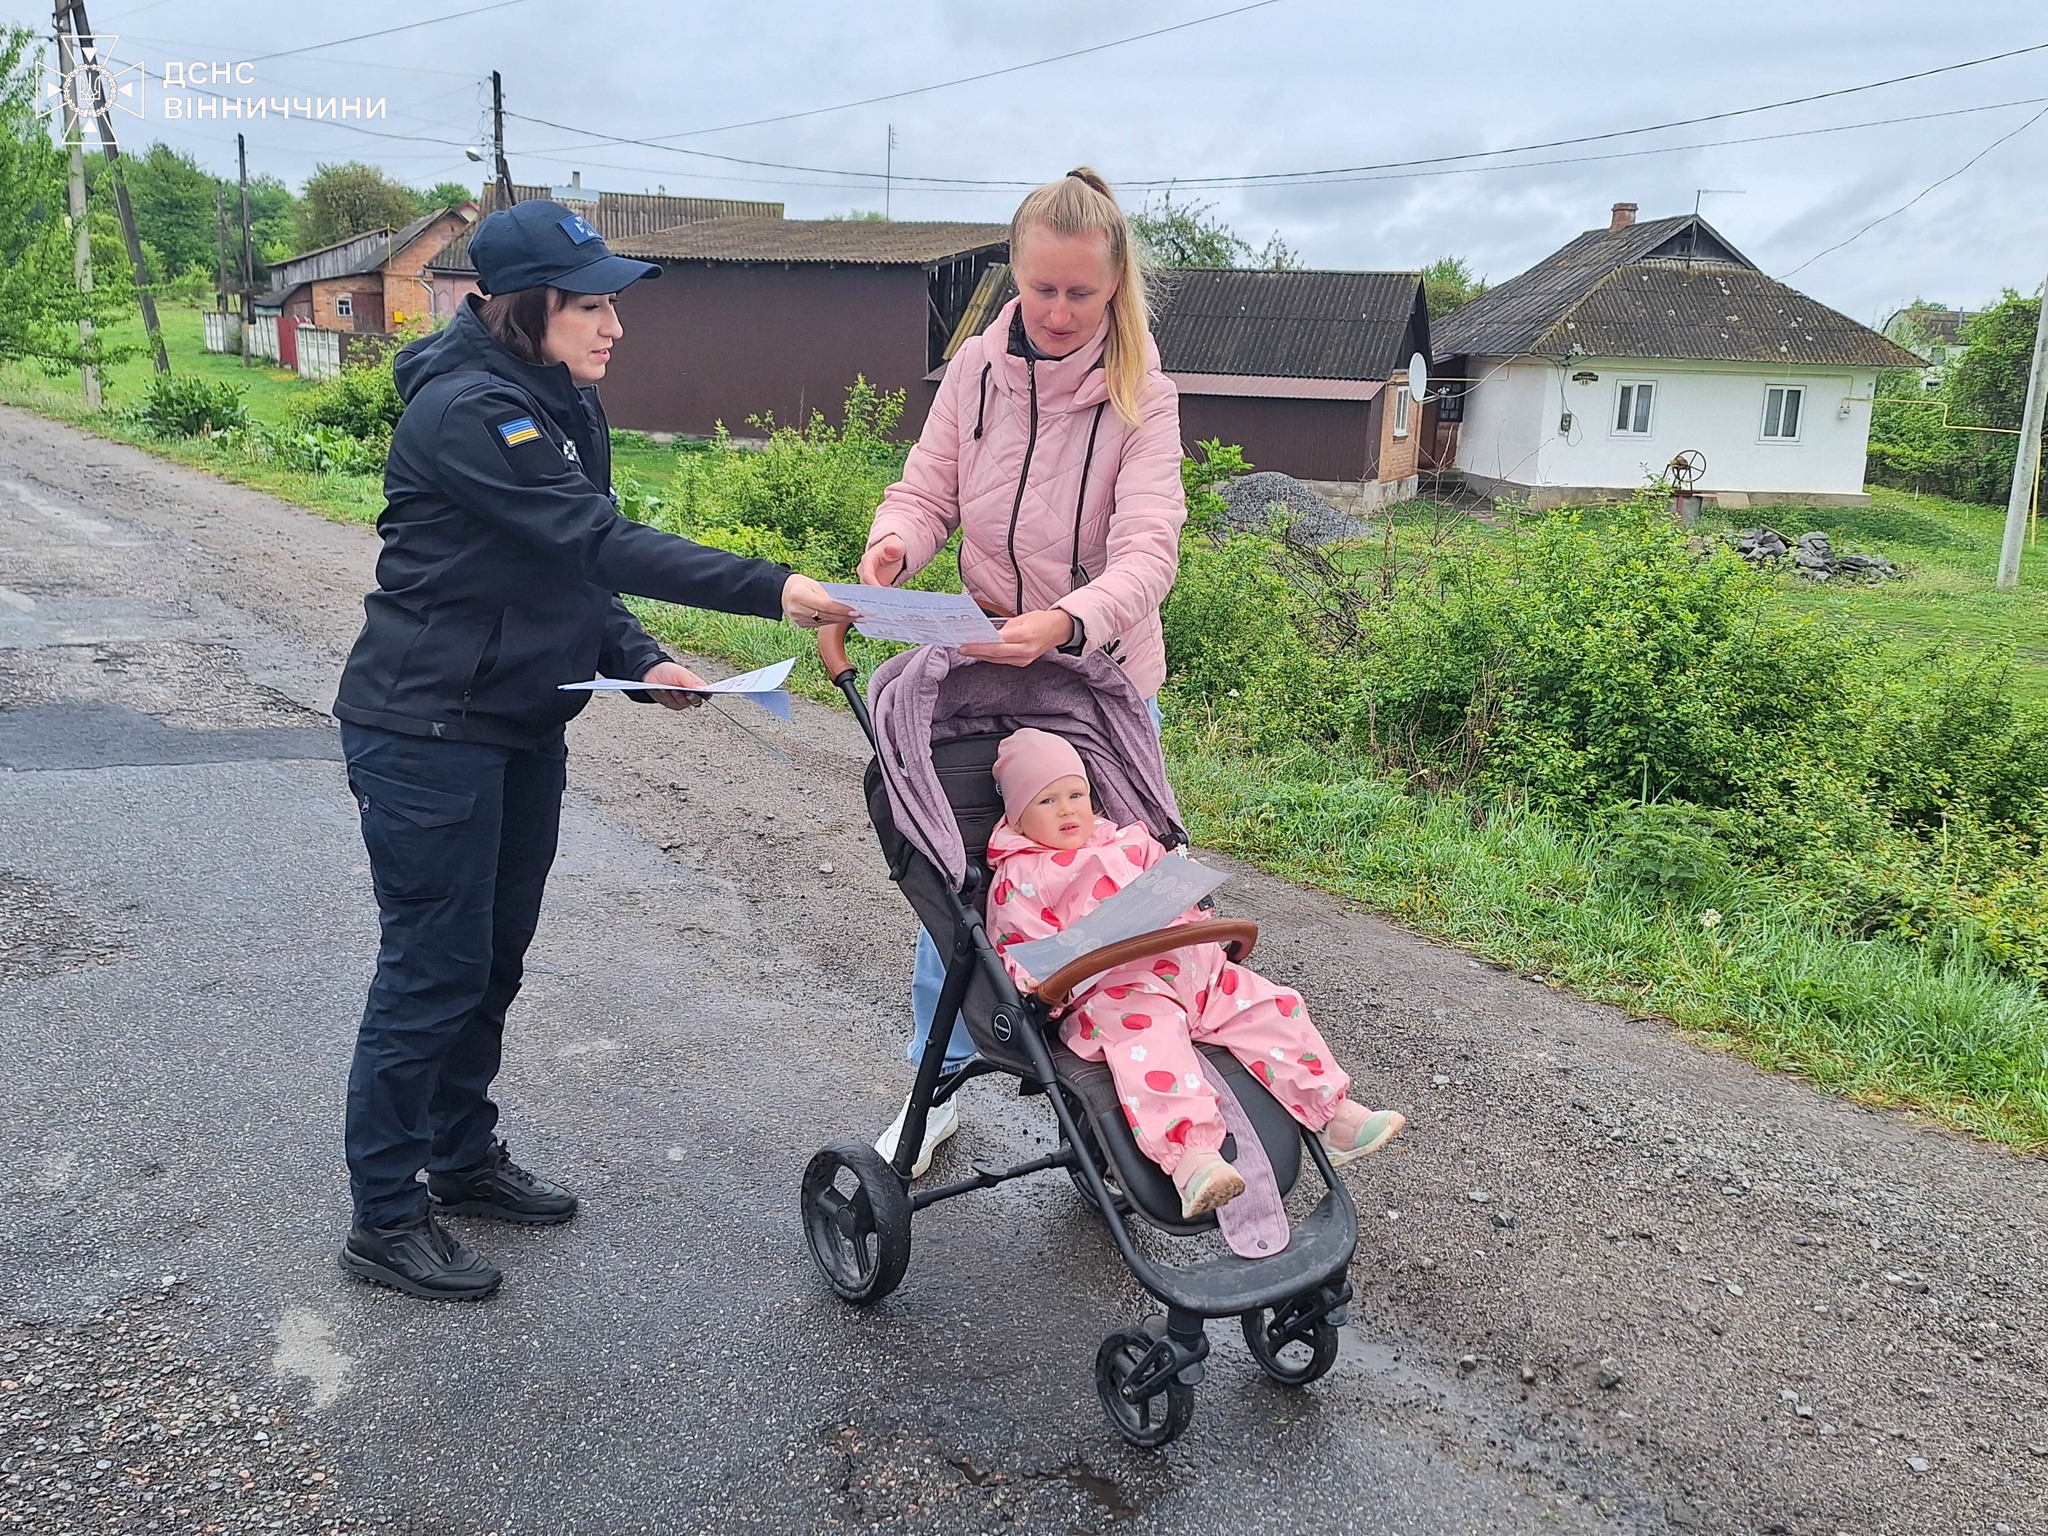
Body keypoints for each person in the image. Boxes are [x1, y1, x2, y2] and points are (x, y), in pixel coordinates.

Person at [331, 199, 852, 1301]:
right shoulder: (473, 410)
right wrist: (773, 589)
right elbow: (597, 536)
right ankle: (383, 1216)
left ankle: (458, 1156)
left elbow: (571, 566)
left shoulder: (557, 399)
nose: (612, 324)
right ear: (519, 306)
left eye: (614, 302)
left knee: (491, 961)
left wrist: (643, 656)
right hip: (428, 729)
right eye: (586, 305)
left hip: (517, 718)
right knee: (431, 972)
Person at [859, 168, 1188, 1174]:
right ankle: (935, 1084)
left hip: (1096, 682)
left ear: (1112, 288)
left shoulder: (1145, 393)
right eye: (1039, 287)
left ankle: (1109, 1106)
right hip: (985, 672)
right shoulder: (976, 372)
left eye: (1077, 293)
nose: (1054, 310)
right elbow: (926, 490)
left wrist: (1065, 621)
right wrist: (890, 551)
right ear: (1014, 272)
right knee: (958, 881)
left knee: (1116, 896)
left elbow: (1149, 551)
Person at [986, 730, 1407, 1218]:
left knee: (1271, 1005)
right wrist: (1046, 980)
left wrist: (1185, 894)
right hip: (1119, 991)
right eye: (1047, 800)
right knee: (1153, 1048)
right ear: (1017, 815)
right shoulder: (1021, 877)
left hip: (1191, 971)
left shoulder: (1130, 839)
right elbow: (1022, 951)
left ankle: (1331, 1114)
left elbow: (1177, 894)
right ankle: (1192, 1159)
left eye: (1076, 795)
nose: (1067, 810)